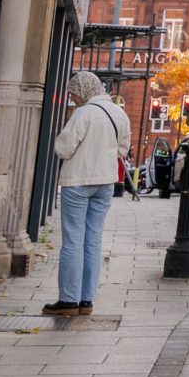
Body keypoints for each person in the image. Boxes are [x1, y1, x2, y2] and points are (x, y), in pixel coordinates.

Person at [46, 71, 128, 315]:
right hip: (105, 183)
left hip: (78, 181)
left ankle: (68, 300)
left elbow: (63, 148)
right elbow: (122, 150)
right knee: (93, 240)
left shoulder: (83, 114)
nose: (73, 99)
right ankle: (86, 299)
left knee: (73, 240)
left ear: (82, 91)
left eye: (74, 93)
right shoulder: (119, 113)